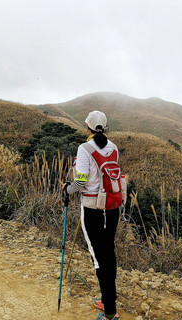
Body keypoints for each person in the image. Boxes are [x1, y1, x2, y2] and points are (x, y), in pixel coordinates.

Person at [63, 110, 120, 320]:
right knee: (109, 254)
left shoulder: (84, 148)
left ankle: (109, 313)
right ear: (105, 128)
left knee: (99, 258)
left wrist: (67, 189)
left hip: (93, 209)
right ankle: (107, 300)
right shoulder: (114, 148)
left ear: (87, 128)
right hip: (112, 209)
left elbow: (81, 181)